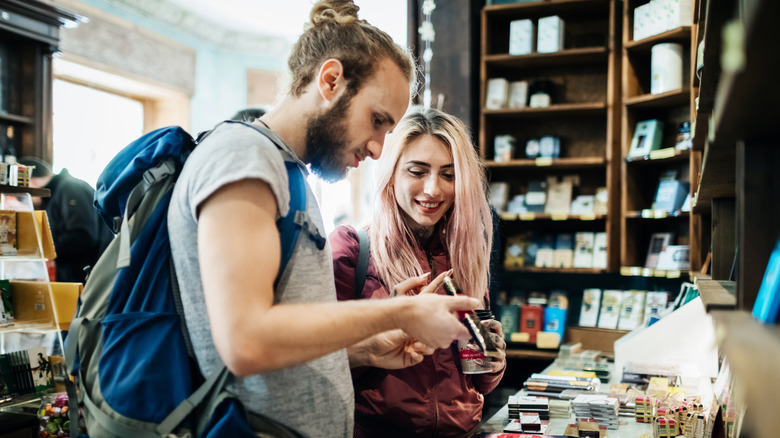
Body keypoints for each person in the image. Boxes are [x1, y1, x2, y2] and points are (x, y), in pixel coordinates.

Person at [166, 2, 480, 437]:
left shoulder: (283, 169)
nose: (376, 150)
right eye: (376, 120)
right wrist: (398, 310)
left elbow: (283, 346)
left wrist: (368, 349)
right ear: (330, 80)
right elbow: (246, 340)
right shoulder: (244, 156)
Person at [330, 108, 507, 437]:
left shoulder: (464, 254)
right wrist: (385, 329)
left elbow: (479, 379)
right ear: (392, 173)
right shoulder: (352, 250)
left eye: (448, 175)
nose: (433, 190)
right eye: (417, 171)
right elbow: (317, 362)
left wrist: (492, 360)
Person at [18, 157, 113, 283]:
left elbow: (82, 236)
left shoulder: (69, 188)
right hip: (80, 275)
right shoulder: (58, 191)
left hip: (90, 276)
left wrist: (44, 251)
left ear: (30, 180)